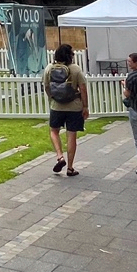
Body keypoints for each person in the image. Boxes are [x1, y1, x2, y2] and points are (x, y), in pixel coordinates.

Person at [46, 43, 89, 176]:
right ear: (70, 56)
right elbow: (82, 89)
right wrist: (85, 106)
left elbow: (46, 87)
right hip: (74, 106)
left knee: (54, 131)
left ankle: (60, 156)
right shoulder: (75, 69)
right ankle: (70, 168)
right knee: (71, 135)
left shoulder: (49, 68)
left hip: (56, 106)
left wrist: (52, 98)